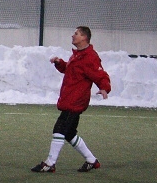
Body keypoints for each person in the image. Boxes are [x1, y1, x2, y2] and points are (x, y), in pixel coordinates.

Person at [32, 26, 111, 173]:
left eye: (76, 34)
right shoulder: (78, 55)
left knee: (59, 129)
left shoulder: (90, 56)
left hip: (75, 101)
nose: (72, 36)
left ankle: (50, 163)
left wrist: (105, 87)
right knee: (69, 133)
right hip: (70, 99)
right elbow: (71, 70)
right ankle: (92, 160)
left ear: (84, 38)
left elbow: (101, 75)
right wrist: (60, 63)